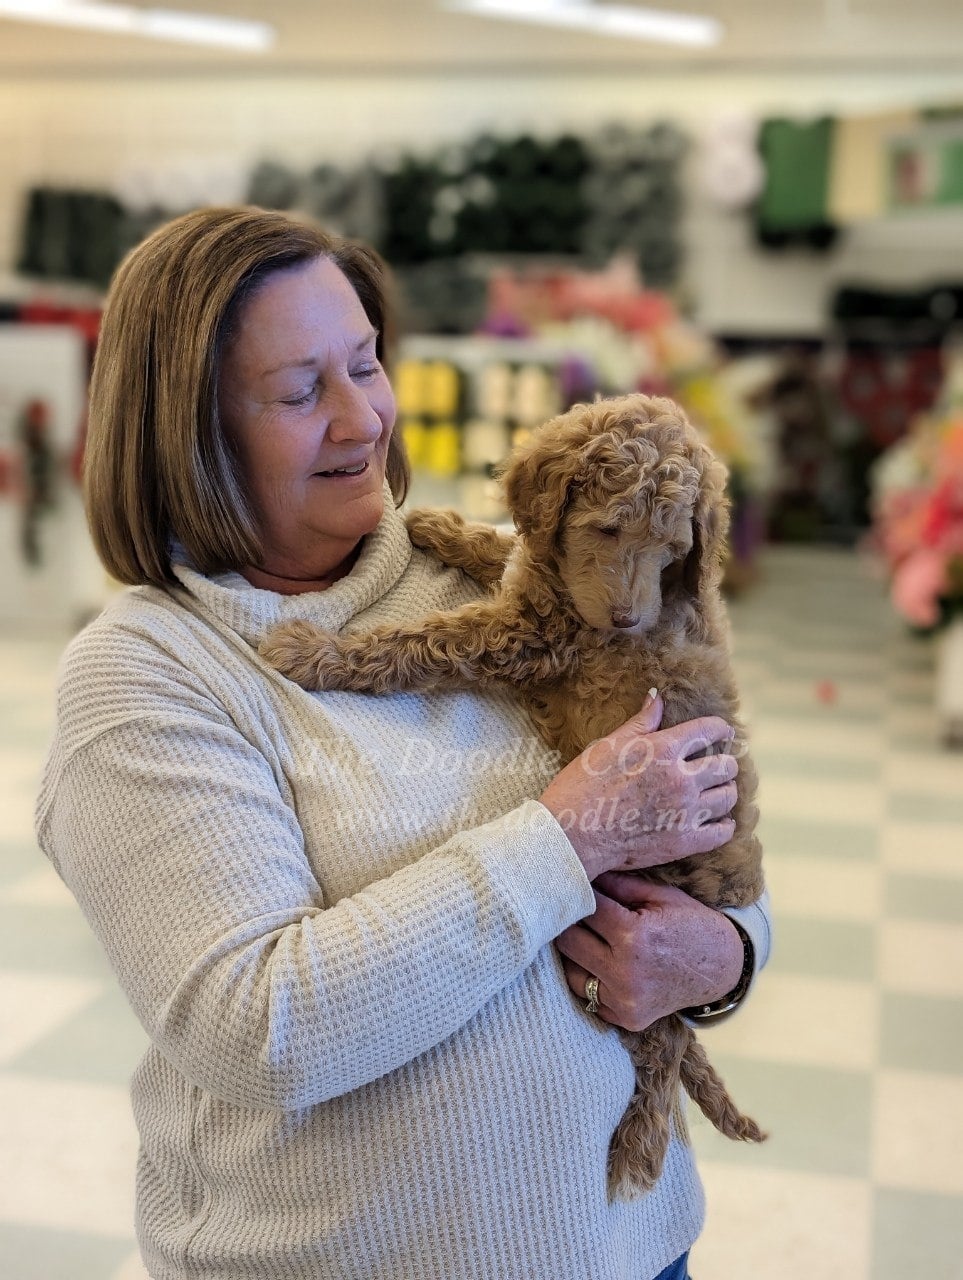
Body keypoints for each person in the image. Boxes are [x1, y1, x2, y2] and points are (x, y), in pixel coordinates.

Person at [36, 206, 771, 1280]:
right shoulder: (147, 675)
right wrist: (566, 838)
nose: (362, 418)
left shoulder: (521, 576)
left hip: (629, 1249)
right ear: (187, 431)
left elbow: (713, 829)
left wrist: (724, 956)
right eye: (301, 391)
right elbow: (262, 1027)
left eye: (366, 363)